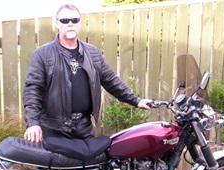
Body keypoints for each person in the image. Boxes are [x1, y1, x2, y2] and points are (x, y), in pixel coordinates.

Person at [23, 3, 151, 143]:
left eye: (75, 20)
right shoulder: (42, 55)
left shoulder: (92, 53)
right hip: (54, 130)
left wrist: (136, 100)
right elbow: (33, 90)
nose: (70, 24)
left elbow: (111, 80)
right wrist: (33, 123)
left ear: (79, 23)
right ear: (57, 24)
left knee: (92, 164)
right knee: (57, 165)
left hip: (84, 127)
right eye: (65, 20)